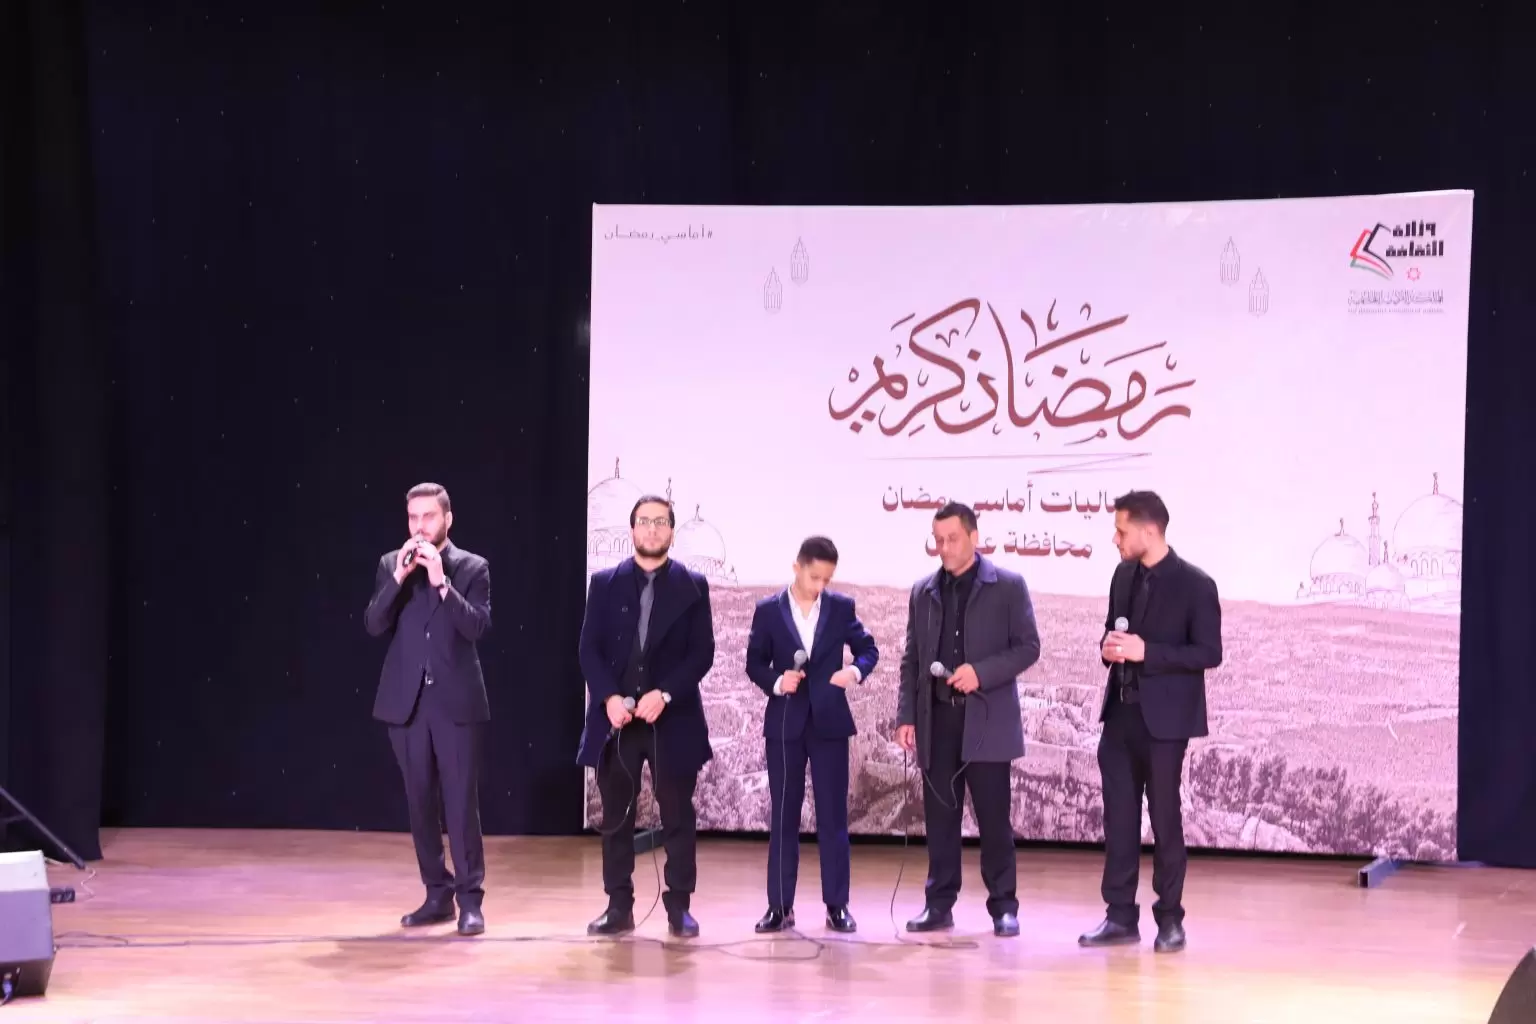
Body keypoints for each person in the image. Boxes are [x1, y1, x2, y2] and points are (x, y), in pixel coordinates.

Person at [1078, 490, 1222, 954]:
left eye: (1121, 531)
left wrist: (1148, 653)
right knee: (1118, 821)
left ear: (1150, 530)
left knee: (1164, 820)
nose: (1115, 539)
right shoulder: (1122, 575)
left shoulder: (1196, 584)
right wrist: (1108, 648)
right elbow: (1112, 630)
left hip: (1165, 726)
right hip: (1119, 719)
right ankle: (1120, 917)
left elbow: (1209, 653)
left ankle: (1170, 920)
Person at [896, 502, 1040, 937]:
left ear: (974, 538)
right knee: (941, 822)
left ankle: (1004, 907)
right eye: (937, 540)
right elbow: (912, 660)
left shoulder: (1008, 586)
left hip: (987, 723)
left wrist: (981, 672)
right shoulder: (922, 592)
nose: (943, 547)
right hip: (937, 723)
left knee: (994, 821)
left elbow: (1028, 647)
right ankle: (939, 905)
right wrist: (907, 716)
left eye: (952, 539)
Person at [576, 495, 716, 939]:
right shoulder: (604, 583)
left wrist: (666, 693)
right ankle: (618, 906)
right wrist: (608, 698)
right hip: (617, 720)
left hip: (672, 719)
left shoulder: (693, 585)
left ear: (672, 530)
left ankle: (679, 907)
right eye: (644, 521)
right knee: (616, 817)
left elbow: (702, 653)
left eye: (660, 522)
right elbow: (588, 650)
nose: (652, 529)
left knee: (677, 815)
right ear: (632, 528)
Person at [364, 482, 492, 937]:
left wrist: (442, 583)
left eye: (429, 517)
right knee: (420, 804)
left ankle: (470, 901)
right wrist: (399, 578)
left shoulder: (471, 567)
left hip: (455, 705)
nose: (420, 526)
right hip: (407, 705)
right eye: (413, 518)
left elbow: (477, 627)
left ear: (447, 520)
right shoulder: (390, 564)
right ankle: (437, 895)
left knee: (460, 805)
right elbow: (373, 623)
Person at [745, 536, 879, 934]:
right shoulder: (768, 611)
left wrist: (853, 672)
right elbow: (754, 663)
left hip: (830, 726)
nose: (820, 585)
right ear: (797, 568)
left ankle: (837, 905)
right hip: (785, 725)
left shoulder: (841, 608)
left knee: (833, 818)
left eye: (827, 579)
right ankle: (779, 907)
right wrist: (776, 681)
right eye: (814, 577)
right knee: (783, 818)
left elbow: (868, 649)